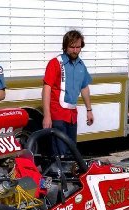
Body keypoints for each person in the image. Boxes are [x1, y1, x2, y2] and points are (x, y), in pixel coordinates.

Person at [42, 29, 94, 157]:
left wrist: (89, 110)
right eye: (72, 47)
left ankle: (69, 175)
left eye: (78, 47)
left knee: (71, 151)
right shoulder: (55, 63)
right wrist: (47, 115)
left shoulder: (81, 65)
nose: (75, 50)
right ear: (65, 47)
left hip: (72, 115)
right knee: (59, 152)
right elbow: (46, 89)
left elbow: (84, 88)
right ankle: (57, 174)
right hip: (57, 113)